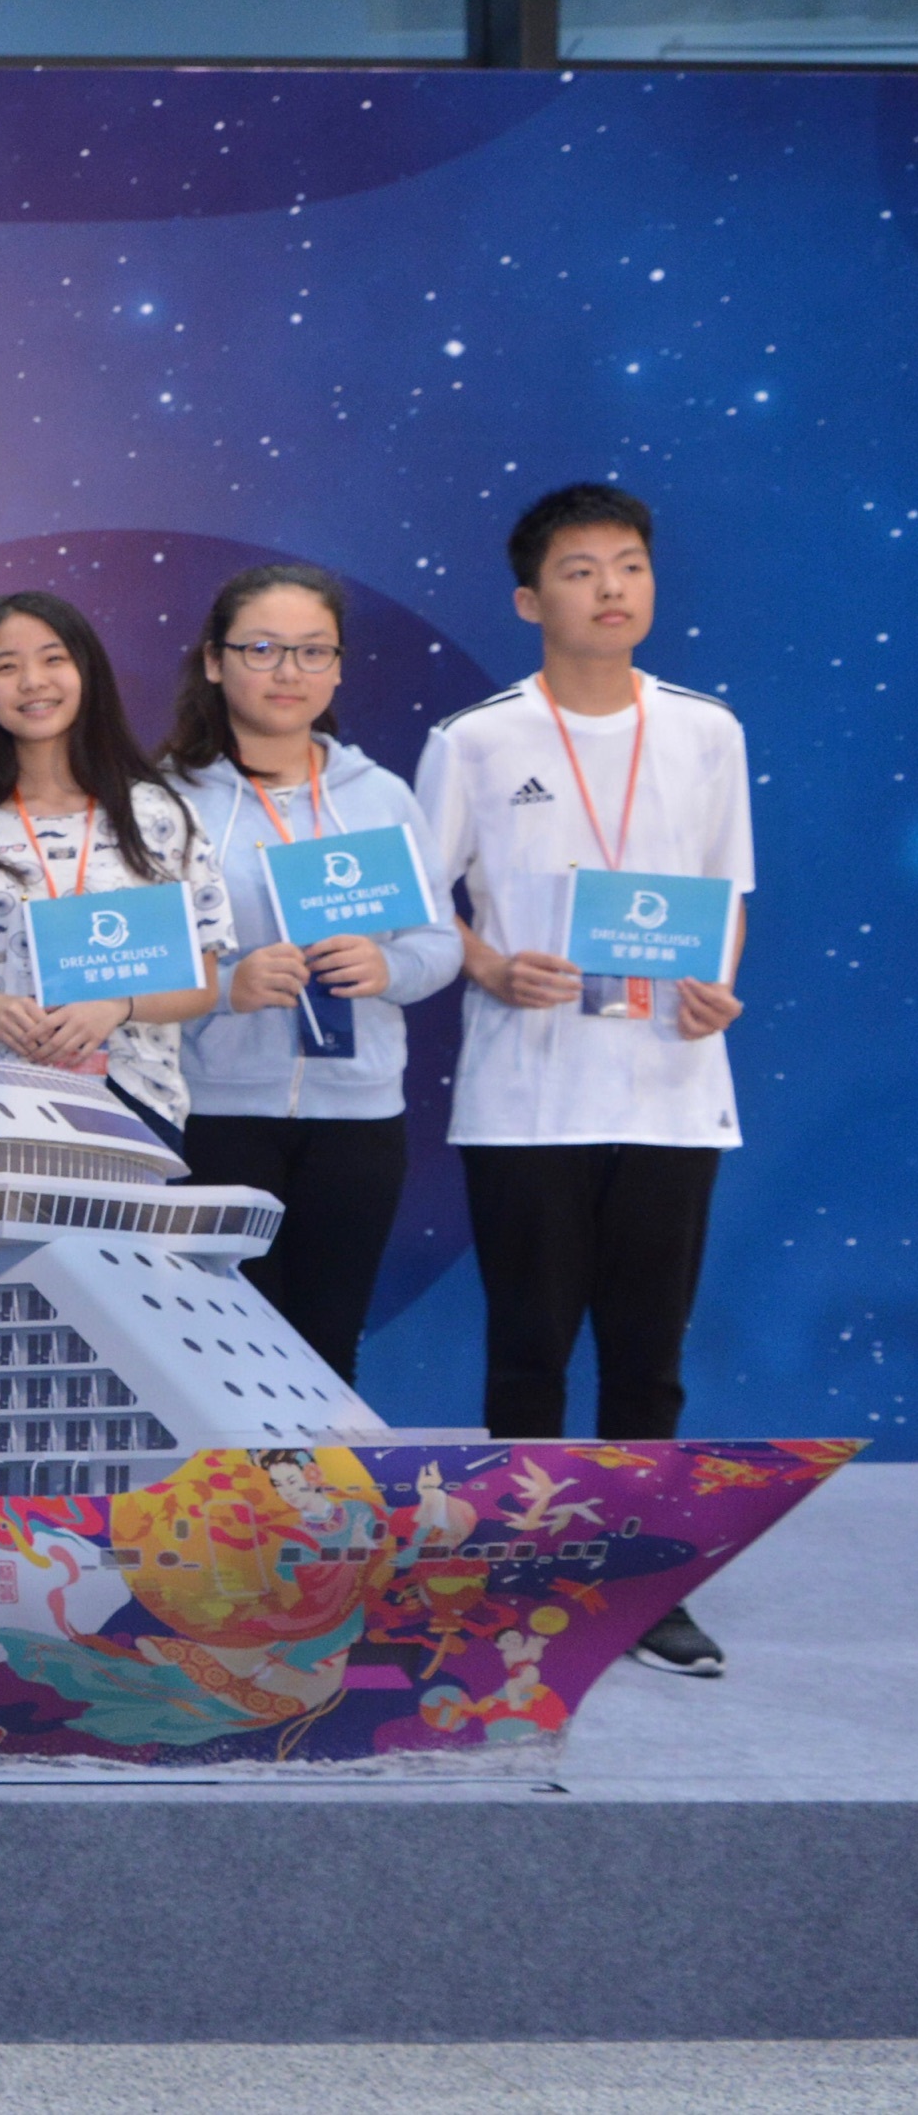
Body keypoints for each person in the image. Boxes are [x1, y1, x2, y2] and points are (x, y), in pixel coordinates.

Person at [413, 483, 750, 1678]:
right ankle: (520, 1571)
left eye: (628, 566)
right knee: (528, 1346)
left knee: (647, 1352)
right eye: (578, 569)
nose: (609, 588)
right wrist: (491, 964)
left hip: (668, 1087)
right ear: (526, 597)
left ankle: (637, 1582)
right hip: (526, 1095)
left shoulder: (706, 730)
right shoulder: (475, 738)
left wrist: (712, 988)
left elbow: (724, 900)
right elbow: (421, 906)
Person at [162, 562, 463, 1389]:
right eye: (262, 648)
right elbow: (135, 970)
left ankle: (317, 1519)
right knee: (222, 1354)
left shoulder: (382, 798)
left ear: (337, 668)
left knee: (329, 1344)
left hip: (359, 1118)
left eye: (311, 651)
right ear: (216, 661)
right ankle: (227, 1519)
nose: (288, 672)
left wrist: (387, 965)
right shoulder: (165, 803)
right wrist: (229, 985)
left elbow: (440, 943)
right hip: (216, 1111)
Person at [0, 591, 232, 1142]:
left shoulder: (160, 814)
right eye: (6, 666)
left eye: (53, 659)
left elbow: (201, 985)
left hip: (135, 1105)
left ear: (87, 673)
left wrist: (116, 1008)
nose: (32, 681)